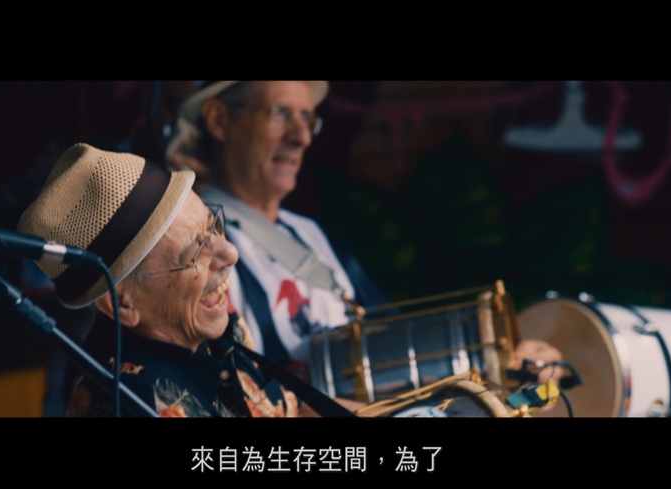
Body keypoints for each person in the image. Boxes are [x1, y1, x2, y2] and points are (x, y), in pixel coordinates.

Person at [164, 81, 564, 396]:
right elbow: (211, 386)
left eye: (307, 119)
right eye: (279, 113)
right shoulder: (195, 244)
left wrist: (504, 361)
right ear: (219, 120)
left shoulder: (308, 233)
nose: (301, 137)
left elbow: (389, 339)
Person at [17, 142, 359, 417]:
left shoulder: (218, 330)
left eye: (213, 226)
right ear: (122, 302)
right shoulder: (123, 404)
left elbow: (288, 410)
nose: (230, 254)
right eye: (194, 253)